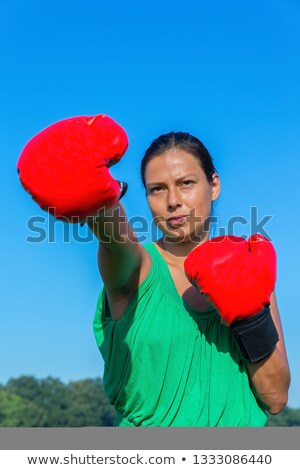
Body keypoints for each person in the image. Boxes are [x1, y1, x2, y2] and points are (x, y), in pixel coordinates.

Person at [17, 115, 290, 427]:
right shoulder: (137, 269)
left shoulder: (249, 268)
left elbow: (276, 397)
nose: (173, 201)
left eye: (186, 183)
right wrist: (96, 198)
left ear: (213, 186)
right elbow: (115, 238)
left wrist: (249, 319)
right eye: (157, 189)